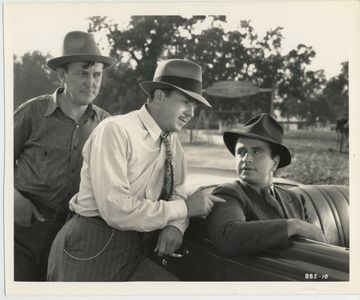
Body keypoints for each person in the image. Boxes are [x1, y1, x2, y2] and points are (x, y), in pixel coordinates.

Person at [47, 59, 225, 281]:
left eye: (194, 106)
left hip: (137, 244)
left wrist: (177, 225)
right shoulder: (116, 131)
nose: (191, 113)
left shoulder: (171, 139)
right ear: (159, 96)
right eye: (186, 102)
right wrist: (185, 209)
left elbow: (177, 188)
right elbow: (117, 210)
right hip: (93, 242)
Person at [14, 31, 116, 281]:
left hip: (73, 238)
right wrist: (12, 199)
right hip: (23, 232)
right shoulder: (32, 114)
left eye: (97, 75)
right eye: (82, 73)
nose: (91, 82)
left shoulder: (107, 125)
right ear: (62, 75)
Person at [206, 113, 326, 256]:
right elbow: (228, 237)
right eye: (241, 152)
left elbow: (315, 246)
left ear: (274, 163)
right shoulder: (228, 193)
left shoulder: (294, 198)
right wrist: (293, 226)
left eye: (256, 151)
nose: (246, 159)